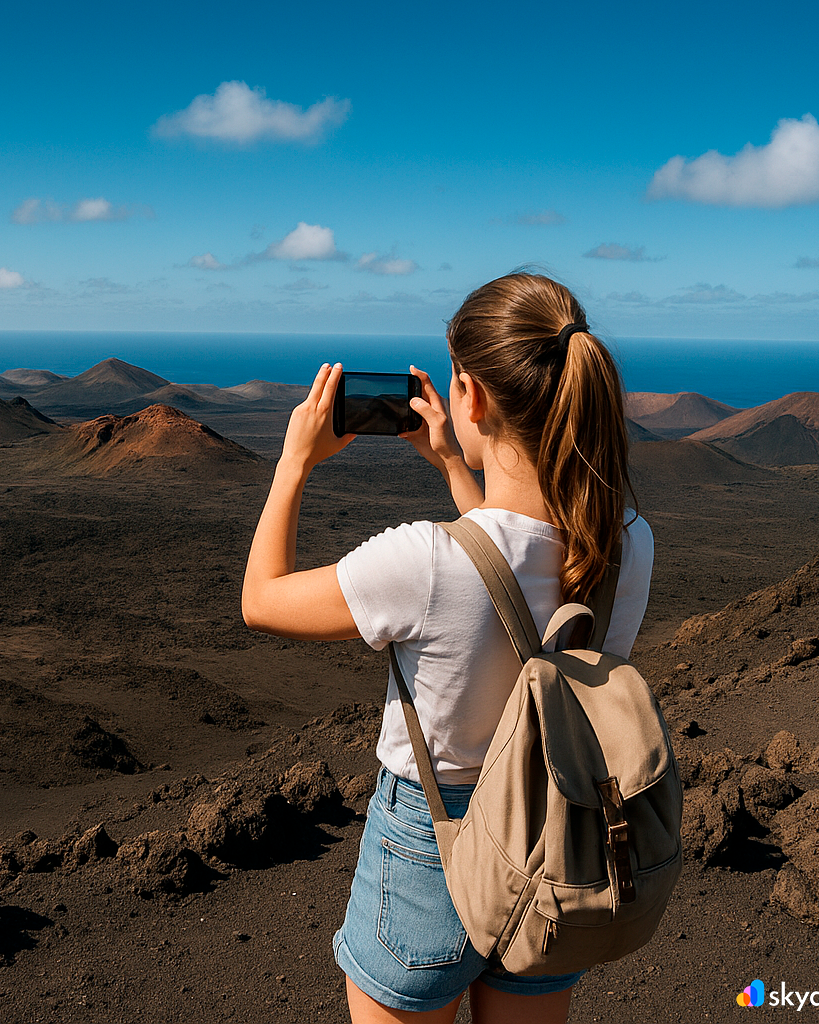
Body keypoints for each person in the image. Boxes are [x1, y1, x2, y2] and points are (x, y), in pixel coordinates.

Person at [240, 272, 652, 1024]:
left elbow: (261, 600)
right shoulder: (625, 541)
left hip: (431, 838)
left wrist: (293, 462)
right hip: (560, 828)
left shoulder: (423, 561)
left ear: (471, 398)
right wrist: (456, 469)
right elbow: (509, 570)